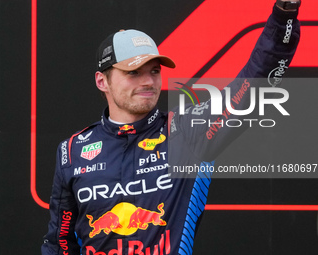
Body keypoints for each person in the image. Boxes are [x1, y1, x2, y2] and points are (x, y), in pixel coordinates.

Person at [42, 1, 301, 254]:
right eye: (134, 73)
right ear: (102, 81)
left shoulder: (186, 131)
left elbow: (256, 80)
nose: (148, 81)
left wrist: (284, 14)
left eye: (154, 71)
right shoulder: (73, 150)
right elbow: (60, 242)